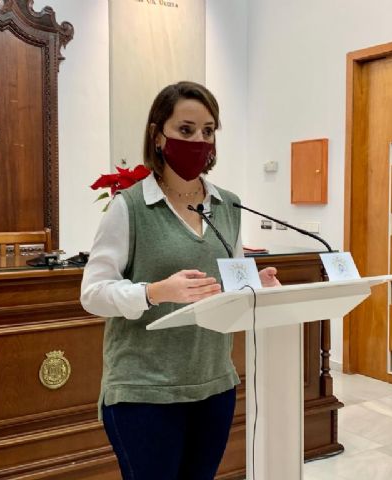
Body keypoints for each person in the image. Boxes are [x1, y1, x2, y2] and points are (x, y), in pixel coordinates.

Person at [80, 80, 280, 480]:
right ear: (158, 136)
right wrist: (154, 292)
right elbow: (92, 294)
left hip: (214, 384)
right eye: (185, 130)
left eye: (208, 131)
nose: (199, 141)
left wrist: (255, 286)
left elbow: (230, 281)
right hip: (144, 392)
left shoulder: (228, 205)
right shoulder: (130, 207)